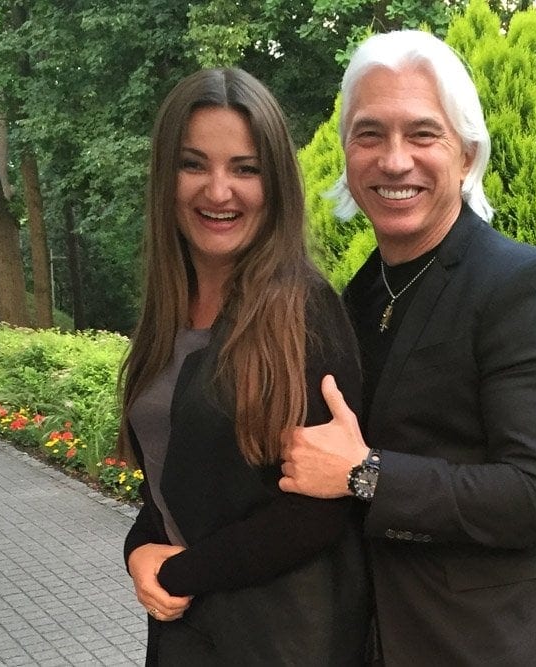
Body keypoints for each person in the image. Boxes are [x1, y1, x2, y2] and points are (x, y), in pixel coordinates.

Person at [279, 30, 536, 666]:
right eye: (370, 134)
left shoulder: (525, 286)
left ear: (467, 154)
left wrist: (364, 474)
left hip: (488, 648)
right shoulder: (359, 294)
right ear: (347, 153)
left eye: (423, 134)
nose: (395, 160)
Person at [117, 67, 369, 665]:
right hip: (188, 634)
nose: (218, 191)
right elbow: (171, 478)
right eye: (193, 164)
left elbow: (317, 511)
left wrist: (179, 572)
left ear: (274, 183)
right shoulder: (168, 312)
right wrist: (137, 548)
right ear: (166, 177)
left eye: (245, 168)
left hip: (284, 640)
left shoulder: (305, 312)